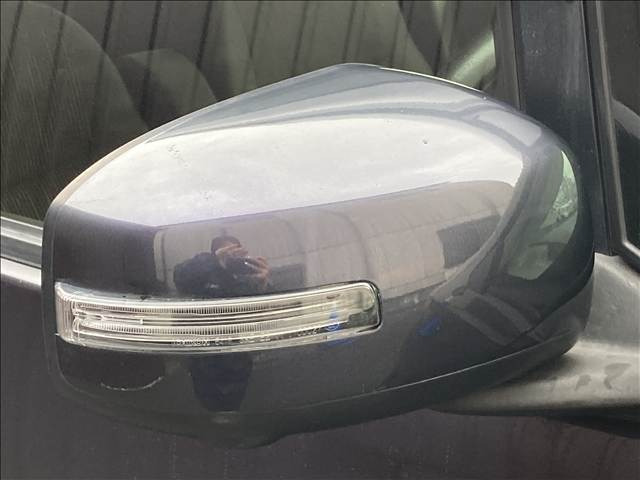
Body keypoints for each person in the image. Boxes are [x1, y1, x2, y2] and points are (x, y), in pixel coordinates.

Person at [173, 235, 270, 297]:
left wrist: (263, 284)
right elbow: (179, 278)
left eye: (236, 254)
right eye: (226, 254)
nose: (232, 259)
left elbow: (255, 301)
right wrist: (214, 261)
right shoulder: (201, 270)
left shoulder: (247, 271)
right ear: (214, 254)